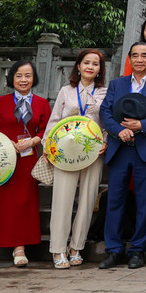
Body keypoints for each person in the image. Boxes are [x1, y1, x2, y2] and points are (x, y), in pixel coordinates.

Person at [99, 42, 146, 269]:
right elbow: (105, 111)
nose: (139, 59)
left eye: (144, 55)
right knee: (115, 200)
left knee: (144, 201)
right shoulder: (117, 84)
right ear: (129, 59)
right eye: (135, 56)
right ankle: (113, 249)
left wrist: (142, 125)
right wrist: (118, 130)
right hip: (120, 148)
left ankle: (138, 250)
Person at [0, 60, 52, 268]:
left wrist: (33, 141)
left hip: (27, 159)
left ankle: (19, 247)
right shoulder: (0, 102)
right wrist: (4, 142)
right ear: (12, 78)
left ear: (34, 79)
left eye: (28, 76)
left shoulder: (41, 103)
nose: (23, 80)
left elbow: (46, 130)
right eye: (19, 75)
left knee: (22, 202)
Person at [47, 49, 108, 268]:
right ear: (79, 66)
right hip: (65, 150)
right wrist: (48, 145)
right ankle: (58, 249)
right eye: (87, 62)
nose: (91, 67)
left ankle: (76, 246)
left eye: (96, 64)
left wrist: (105, 141)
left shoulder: (104, 92)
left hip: (93, 151)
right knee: (62, 198)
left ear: (100, 69)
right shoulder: (66, 91)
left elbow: (106, 121)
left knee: (88, 199)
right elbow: (54, 120)